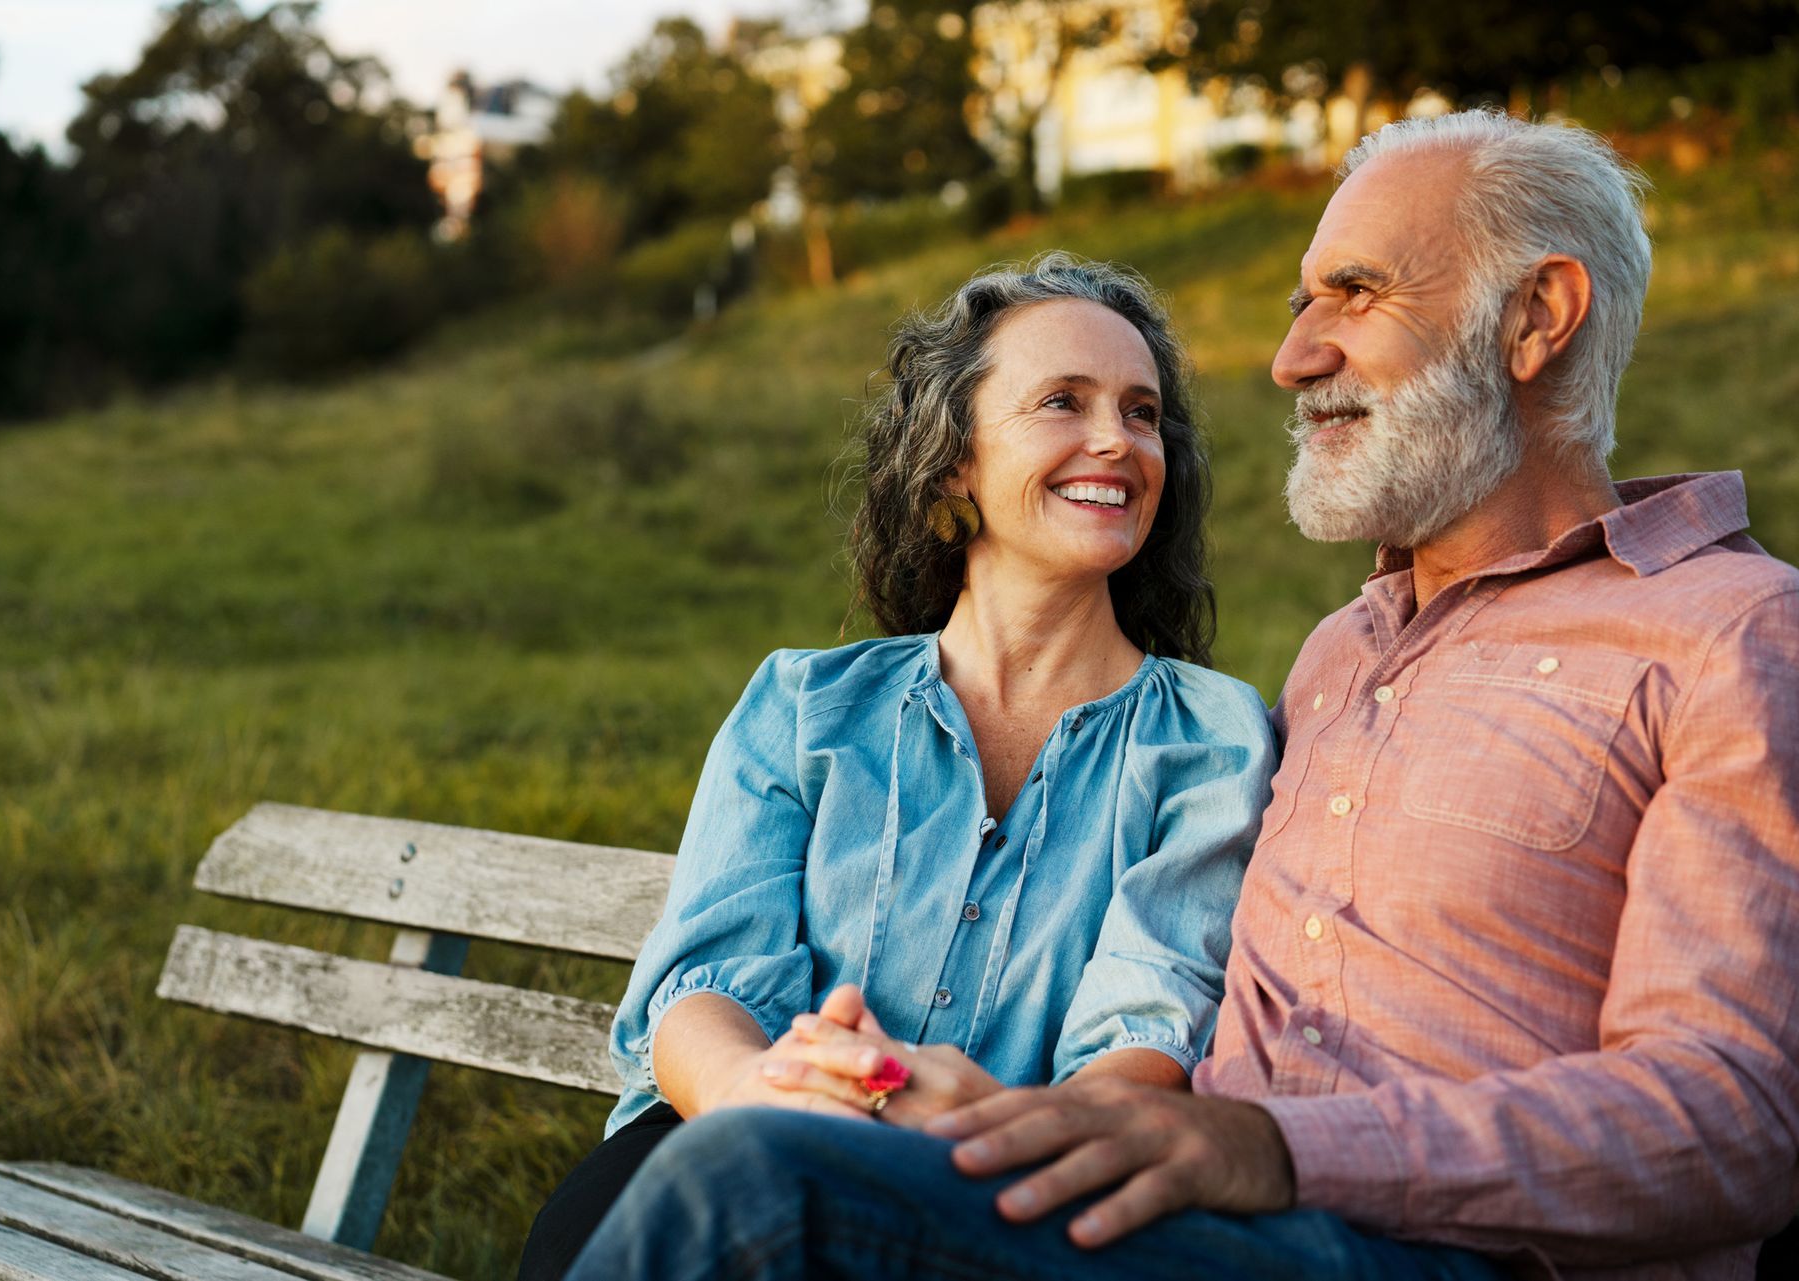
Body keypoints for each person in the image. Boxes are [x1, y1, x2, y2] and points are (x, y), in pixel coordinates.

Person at [562, 110, 1799, 1281]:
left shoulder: (1729, 634)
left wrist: (1259, 1148)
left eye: (1354, 295)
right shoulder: (1343, 657)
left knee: (760, 1193)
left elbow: (1735, 1119)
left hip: (1415, 1245)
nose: (1291, 356)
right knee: (714, 1180)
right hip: (1182, 1219)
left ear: (1537, 319)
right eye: (1300, 304)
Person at [515, 254, 1278, 1280]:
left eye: (1143, 414)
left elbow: (1147, 1033)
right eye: (1064, 401)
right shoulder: (804, 708)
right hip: (725, 1145)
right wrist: (758, 1100)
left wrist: (965, 1115)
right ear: (954, 459)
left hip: (1000, 1187)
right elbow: (700, 985)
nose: (1118, 441)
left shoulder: (1210, 737)